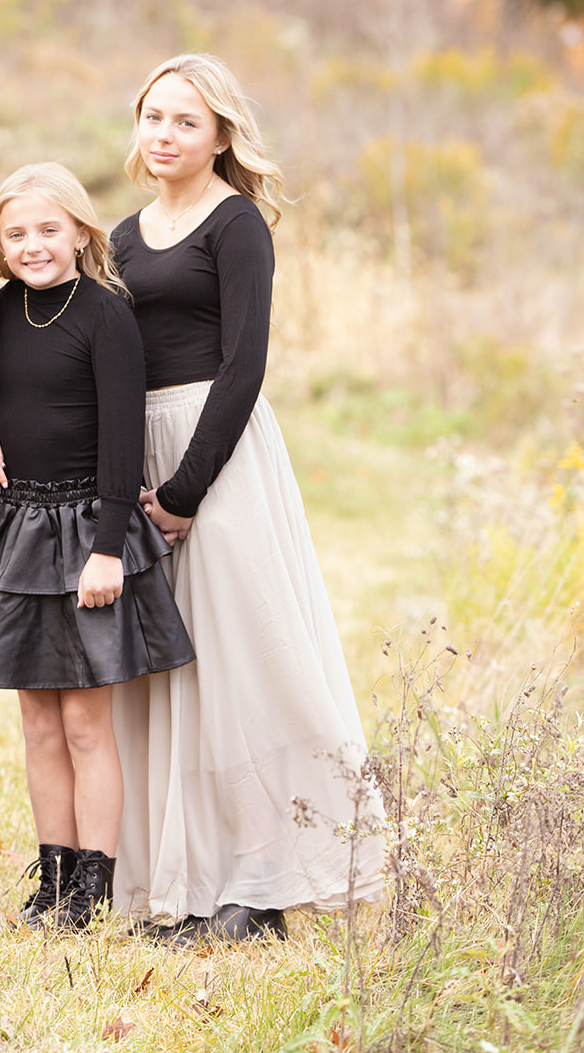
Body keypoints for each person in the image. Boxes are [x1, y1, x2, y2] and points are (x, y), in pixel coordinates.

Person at [110, 54, 386, 945]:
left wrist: (187, 490)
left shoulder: (235, 226)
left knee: (244, 661)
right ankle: (182, 881)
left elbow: (244, 364)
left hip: (214, 450)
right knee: (166, 675)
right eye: (154, 117)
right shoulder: (119, 234)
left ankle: (262, 884)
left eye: (185, 122)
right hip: (136, 452)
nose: (164, 135)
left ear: (221, 135)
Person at [0, 163, 194, 929]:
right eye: (15, 234)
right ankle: (52, 878)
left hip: (89, 531)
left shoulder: (104, 314)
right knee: (36, 721)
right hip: (19, 531)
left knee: (88, 723)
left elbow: (123, 441)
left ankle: (93, 889)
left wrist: (105, 549)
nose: (32, 246)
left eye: (47, 230)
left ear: (82, 234)